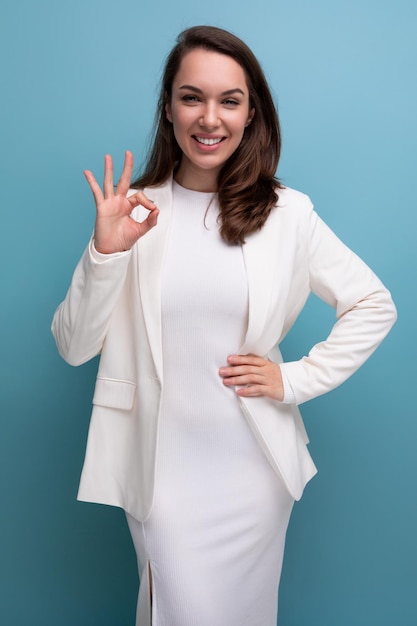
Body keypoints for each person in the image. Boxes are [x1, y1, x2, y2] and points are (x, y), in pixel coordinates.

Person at [52, 25, 396, 626]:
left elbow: (373, 303)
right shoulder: (134, 211)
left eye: (229, 100)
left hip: (252, 470)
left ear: (250, 112)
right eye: (192, 97)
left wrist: (294, 381)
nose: (209, 118)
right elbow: (73, 347)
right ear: (168, 108)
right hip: (159, 471)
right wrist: (106, 253)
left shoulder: (288, 214)